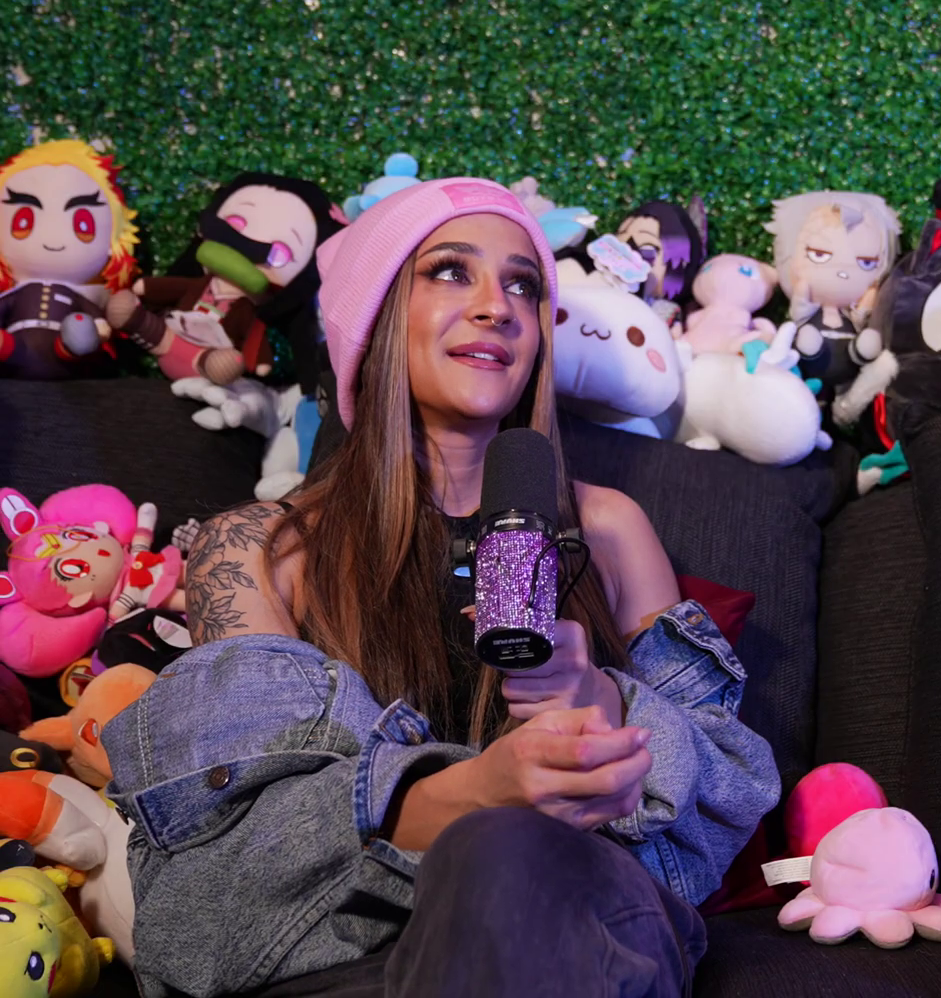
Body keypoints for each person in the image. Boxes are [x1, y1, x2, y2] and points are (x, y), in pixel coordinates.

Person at [104, 178, 781, 997]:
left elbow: (725, 804)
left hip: (581, 931)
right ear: (375, 316)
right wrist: (482, 791)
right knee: (488, 854)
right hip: (351, 952)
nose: (498, 307)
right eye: (452, 272)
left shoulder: (607, 528)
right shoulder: (257, 550)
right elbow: (231, 869)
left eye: (523, 286)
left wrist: (603, 700)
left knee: (510, 861)